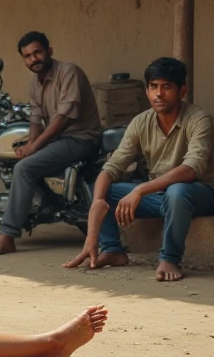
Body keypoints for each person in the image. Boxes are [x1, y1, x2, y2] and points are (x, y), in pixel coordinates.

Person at [66, 57, 214, 282]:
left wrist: (140, 190)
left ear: (182, 90)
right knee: (102, 187)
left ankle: (170, 258)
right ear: (146, 90)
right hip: (159, 197)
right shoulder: (141, 122)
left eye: (166, 87)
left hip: (199, 193)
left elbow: (191, 169)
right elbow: (112, 167)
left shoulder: (199, 119)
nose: (158, 94)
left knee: (177, 191)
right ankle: (112, 250)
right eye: (153, 86)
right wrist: (97, 205)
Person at [0, 32, 102, 256]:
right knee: (25, 160)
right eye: (27, 56)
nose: (33, 59)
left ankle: (8, 234)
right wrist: (31, 143)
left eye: (37, 52)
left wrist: (33, 147)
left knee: (24, 168)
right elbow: (36, 119)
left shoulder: (68, 72)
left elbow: (63, 118)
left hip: (81, 138)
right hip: (61, 139)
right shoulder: (34, 85)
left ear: (49, 51)